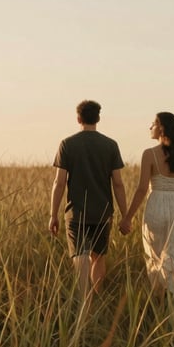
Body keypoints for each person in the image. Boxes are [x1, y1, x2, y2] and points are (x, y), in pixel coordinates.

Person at [50, 100, 128, 301]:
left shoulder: (67, 144)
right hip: (103, 212)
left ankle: (84, 301)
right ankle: (96, 296)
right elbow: (118, 184)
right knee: (98, 256)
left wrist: (53, 215)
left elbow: (59, 183)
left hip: (76, 213)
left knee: (80, 255)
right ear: (98, 118)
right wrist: (125, 215)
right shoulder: (110, 145)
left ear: (78, 119)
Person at [119, 112, 174, 303]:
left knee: (157, 260)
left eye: (153, 123)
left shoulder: (150, 154)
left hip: (156, 209)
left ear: (161, 128)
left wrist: (128, 217)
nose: (150, 127)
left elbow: (141, 190)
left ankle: (162, 305)